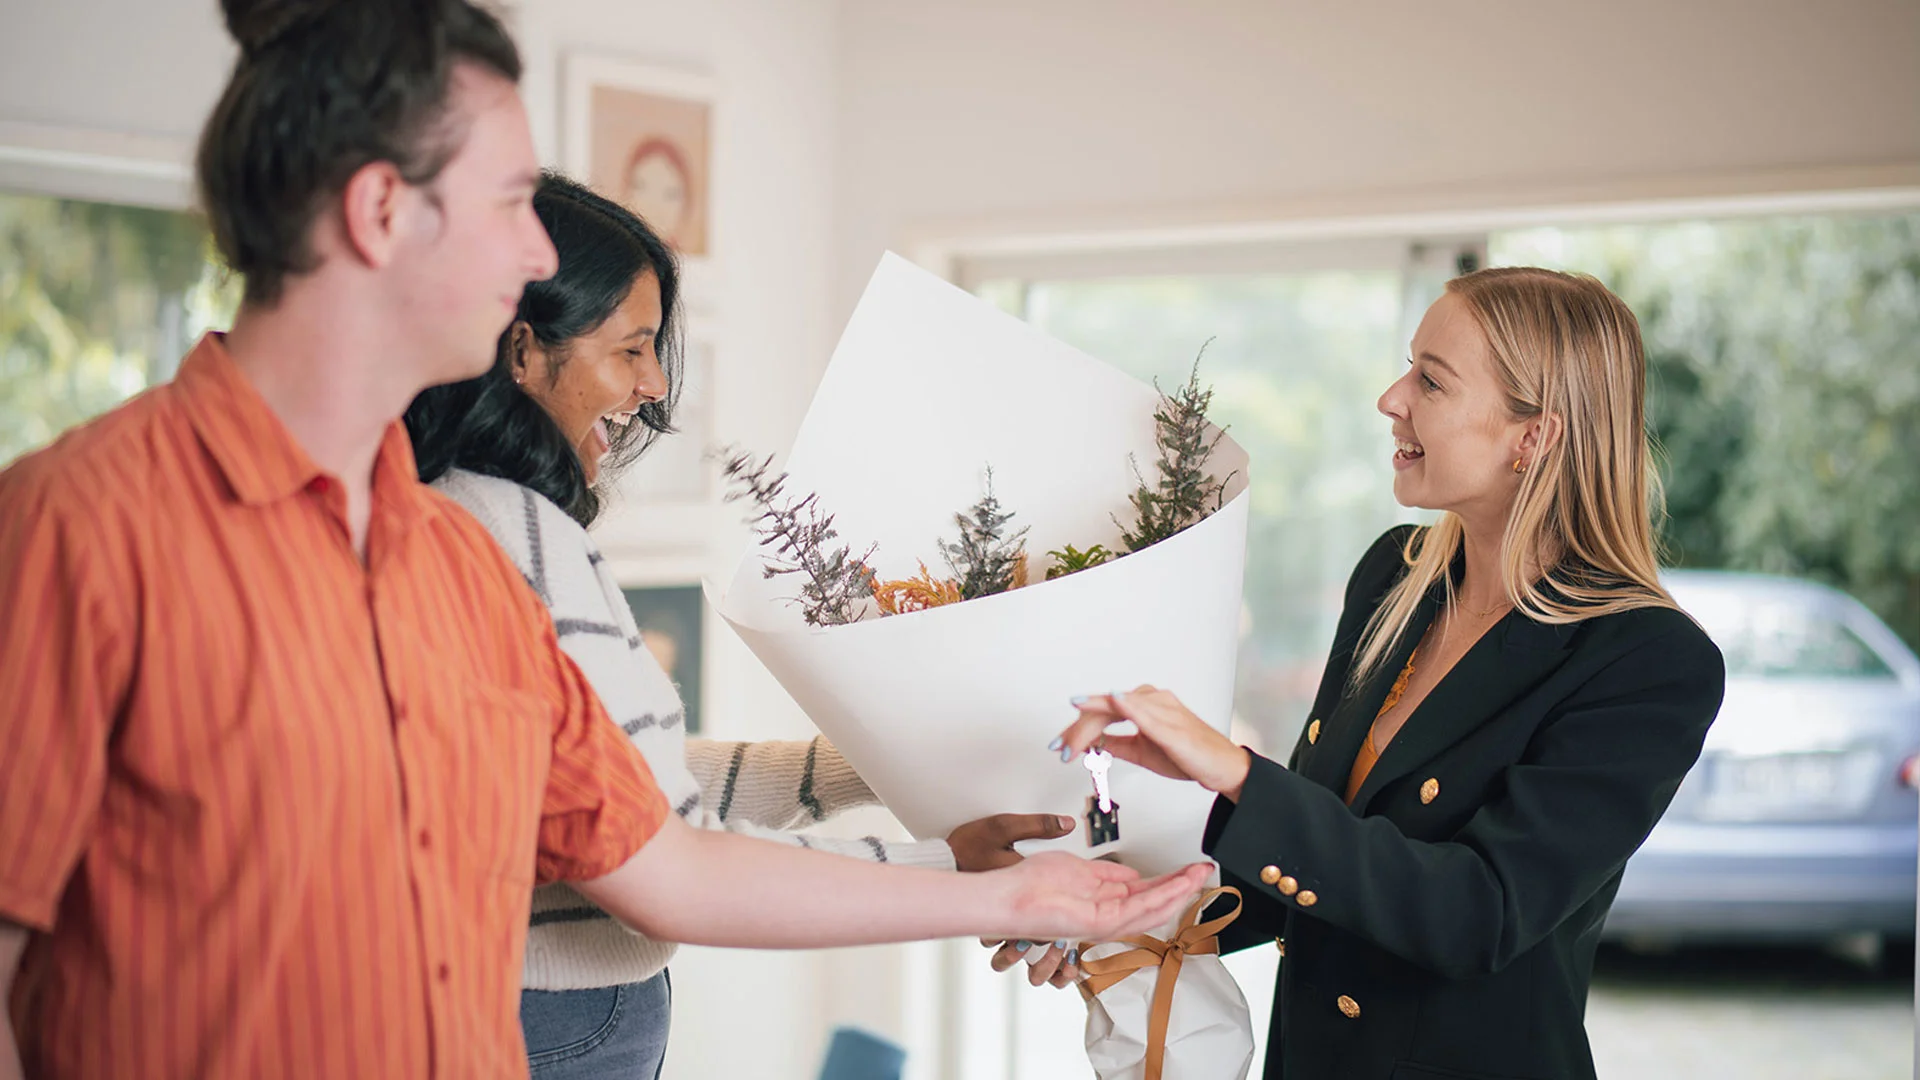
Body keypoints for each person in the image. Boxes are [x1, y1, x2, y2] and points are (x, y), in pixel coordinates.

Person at [0, 3, 1207, 1078]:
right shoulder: (81, 529)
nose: (537, 255)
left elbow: (669, 868)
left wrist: (1017, 889)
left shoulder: (457, 568)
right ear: (380, 211)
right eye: (515, 200)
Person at [404, 171, 1079, 1078]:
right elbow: (668, 852)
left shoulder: (445, 512)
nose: (651, 385)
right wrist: (962, 877)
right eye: (631, 349)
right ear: (523, 352)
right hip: (553, 1020)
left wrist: (870, 762)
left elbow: (625, 789)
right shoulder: (520, 534)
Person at [1035, 267, 1727, 1079]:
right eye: (1410, 366)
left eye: (1431, 380)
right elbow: (1323, 855)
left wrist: (1235, 772)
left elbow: (1479, 912)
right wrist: (1118, 915)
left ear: (1532, 437)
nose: (1391, 397)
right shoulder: (1392, 581)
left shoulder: (1646, 660)